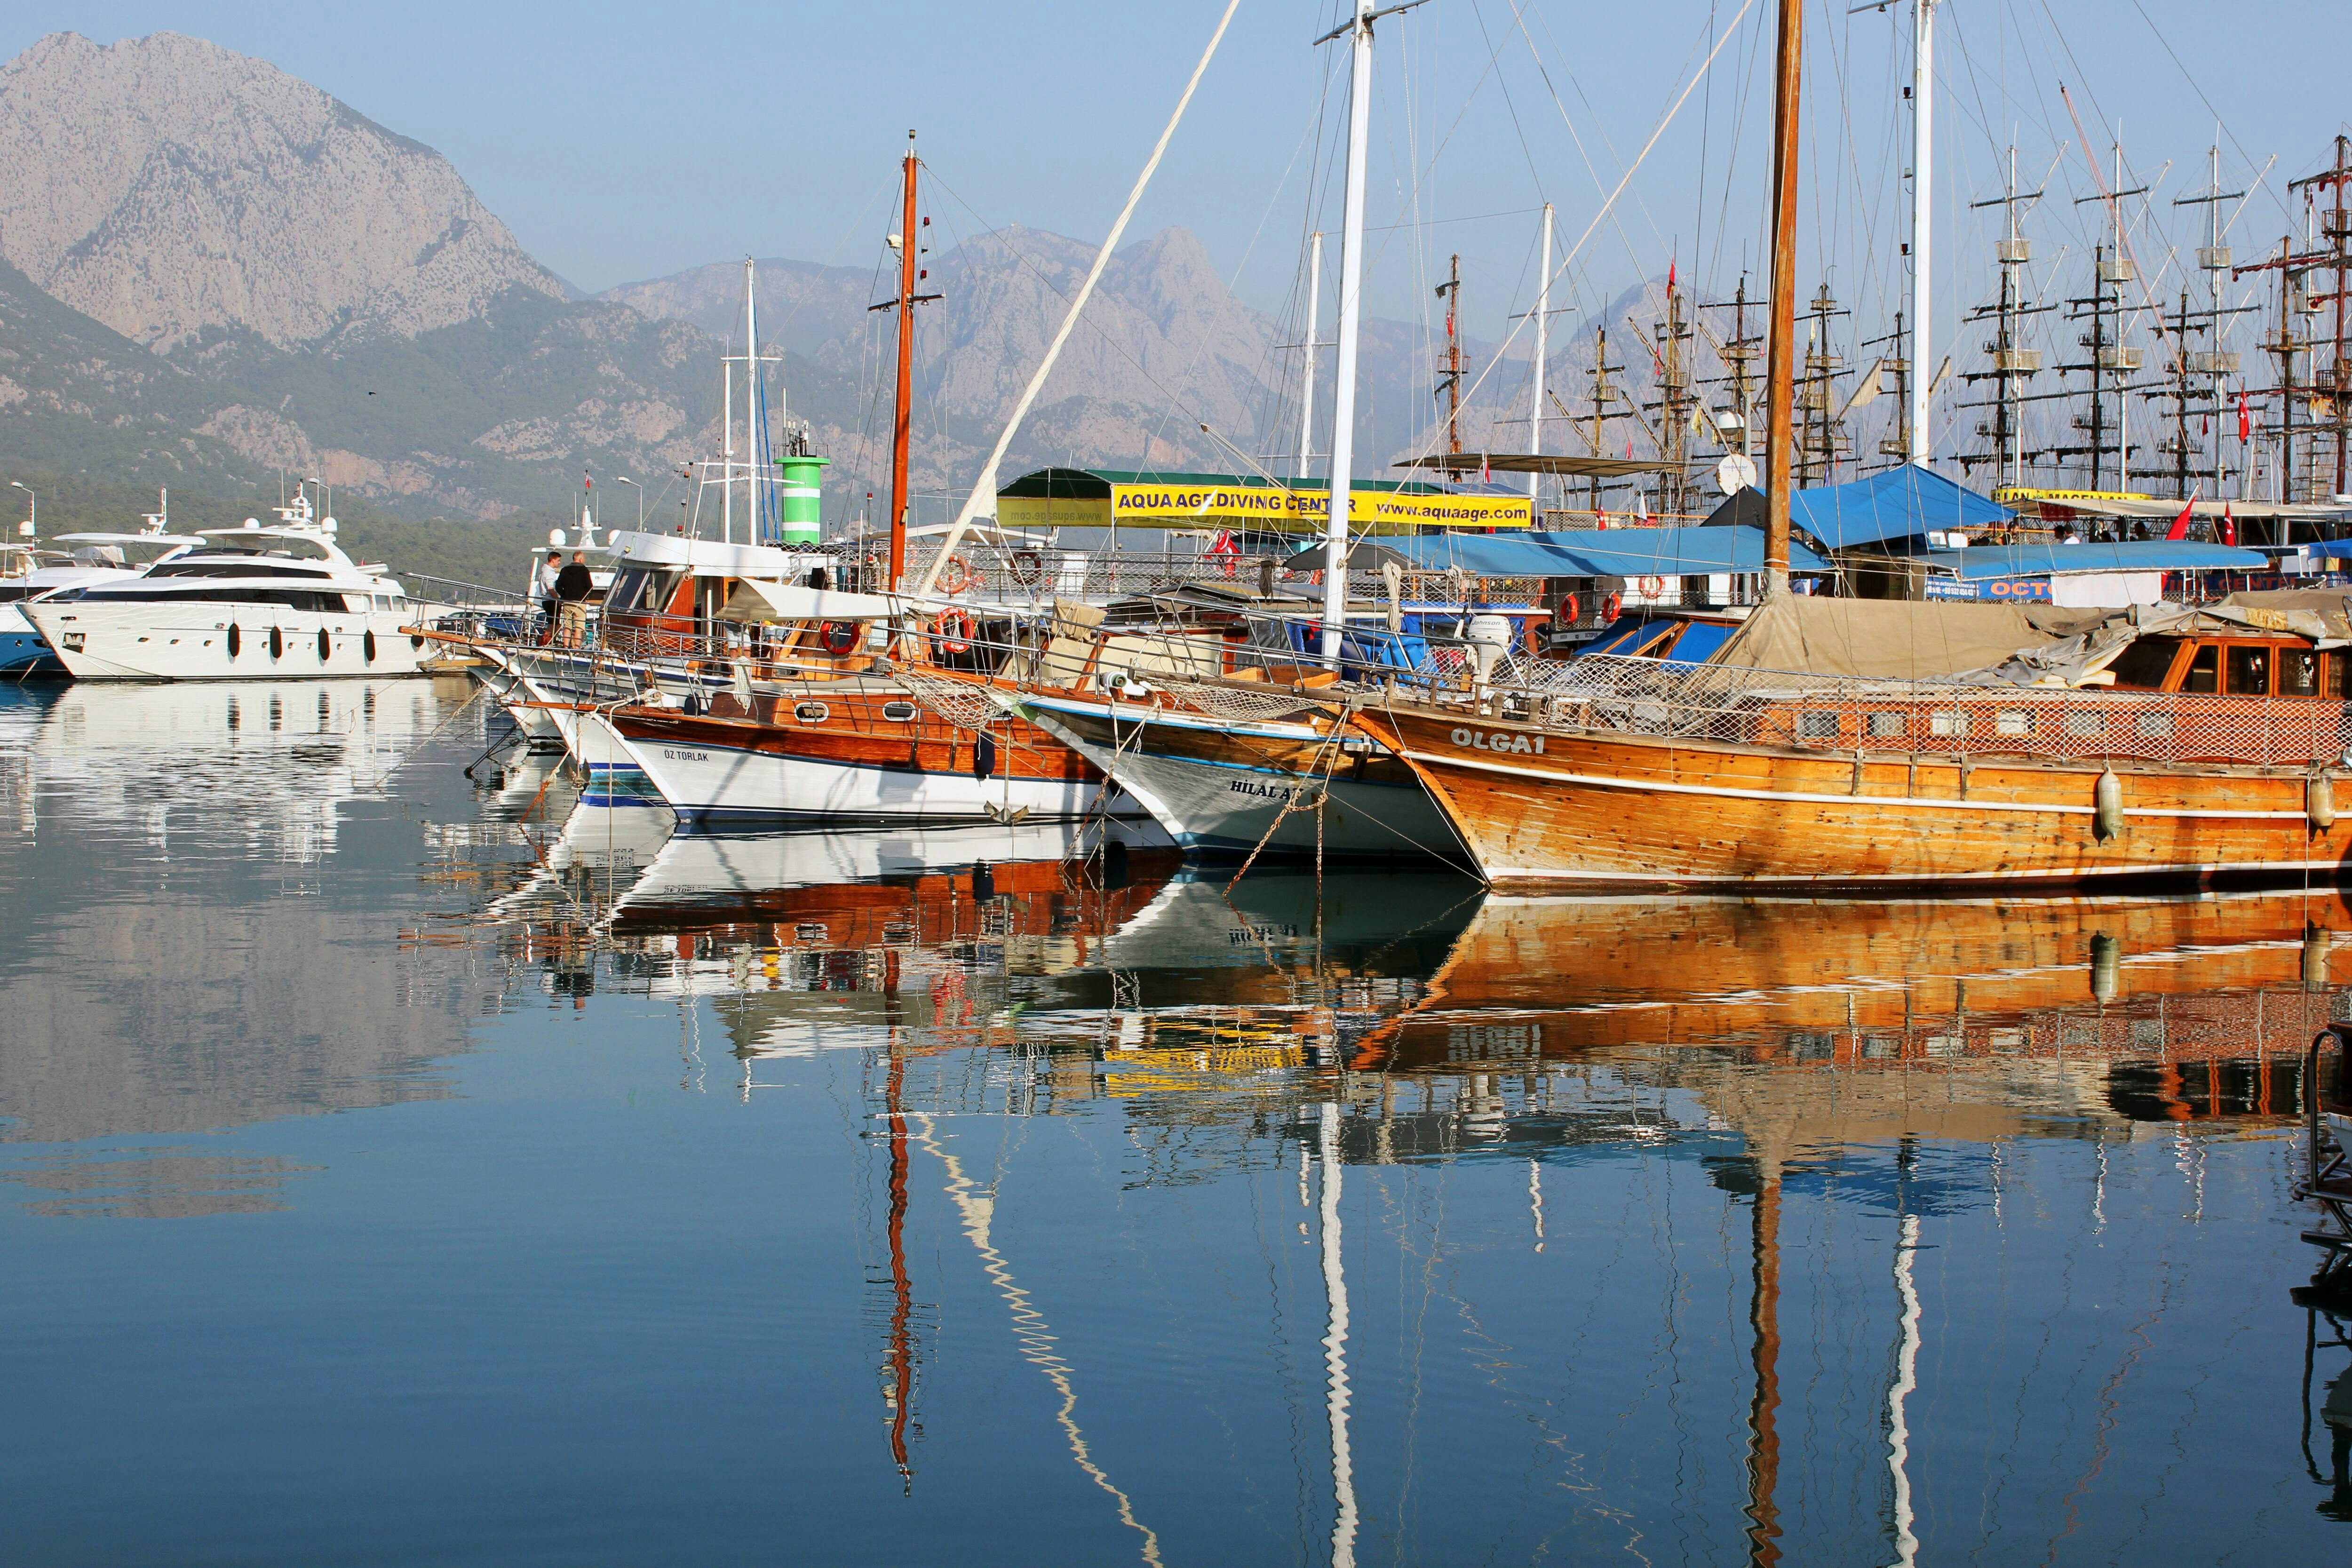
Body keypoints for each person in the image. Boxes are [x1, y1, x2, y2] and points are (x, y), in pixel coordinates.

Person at [554, 550, 595, 648]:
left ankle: (566, 646)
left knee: (567, 626)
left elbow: (558, 586)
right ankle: (577, 648)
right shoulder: (584, 571)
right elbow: (590, 586)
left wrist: (564, 596)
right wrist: (586, 597)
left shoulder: (565, 570)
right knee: (578, 628)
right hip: (580, 603)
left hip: (568, 602)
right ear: (581, 559)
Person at [536, 551, 562, 644]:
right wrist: (558, 600)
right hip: (551, 600)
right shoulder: (548, 573)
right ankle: (547, 641)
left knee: (553, 623)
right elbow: (551, 588)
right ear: (553, 560)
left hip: (547, 600)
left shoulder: (546, 571)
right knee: (554, 624)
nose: (559, 563)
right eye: (558, 561)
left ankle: (548, 640)